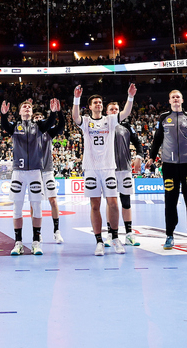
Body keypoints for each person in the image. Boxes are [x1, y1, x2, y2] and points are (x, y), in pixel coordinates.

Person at [73, 84, 135, 255]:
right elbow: (75, 116)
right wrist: (76, 98)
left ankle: (115, 237)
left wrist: (130, 97)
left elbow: (125, 113)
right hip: (91, 168)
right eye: (96, 103)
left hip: (108, 167)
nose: (99, 104)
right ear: (91, 106)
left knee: (113, 203)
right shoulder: (86, 121)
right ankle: (99, 241)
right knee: (95, 205)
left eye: (100, 102)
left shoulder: (110, 120)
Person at [149, 89, 187, 251]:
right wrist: (151, 157)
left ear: (182, 100)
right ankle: (169, 236)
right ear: (169, 101)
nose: (176, 99)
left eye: (178, 97)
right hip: (169, 166)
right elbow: (157, 140)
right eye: (173, 97)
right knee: (170, 201)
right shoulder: (163, 118)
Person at [0, 98, 63, 256]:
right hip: (18, 173)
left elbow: (51, 123)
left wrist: (54, 112)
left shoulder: (39, 126)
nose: (27, 108)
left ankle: (36, 242)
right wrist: (3, 115)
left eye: (29, 107)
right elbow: (4, 126)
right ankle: (18, 243)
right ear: (20, 112)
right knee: (17, 208)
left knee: (37, 207)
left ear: (32, 112)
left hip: (35, 172)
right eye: (24, 107)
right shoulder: (14, 126)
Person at [109, 100, 143, 246]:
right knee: (111, 203)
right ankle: (111, 234)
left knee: (126, 203)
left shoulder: (127, 126)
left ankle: (129, 234)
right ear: (107, 112)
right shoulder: (104, 125)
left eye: (116, 109)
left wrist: (139, 157)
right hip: (108, 170)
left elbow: (138, 143)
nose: (114, 111)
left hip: (125, 170)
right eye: (111, 109)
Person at [35, 110, 66, 244]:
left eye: (41, 116)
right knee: (35, 203)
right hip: (34, 172)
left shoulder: (49, 132)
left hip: (47, 171)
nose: (39, 119)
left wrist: (58, 112)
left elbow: (61, 126)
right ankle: (37, 233)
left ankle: (56, 231)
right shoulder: (29, 132)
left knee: (53, 201)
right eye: (36, 117)